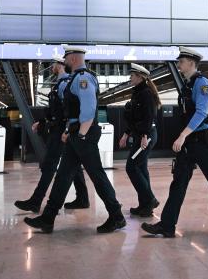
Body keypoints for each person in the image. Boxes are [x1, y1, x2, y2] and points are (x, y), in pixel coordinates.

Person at [141, 47, 208, 238]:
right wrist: (185, 137)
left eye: (181, 61)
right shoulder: (188, 85)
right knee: (178, 182)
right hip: (190, 142)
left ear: (191, 62)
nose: (179, 64)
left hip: (202, 141)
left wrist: (182, 135)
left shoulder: (202, 83)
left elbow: (201, 112)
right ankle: (167, 225)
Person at [25, 46, 126, 234]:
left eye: (67, 58)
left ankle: (116, 216)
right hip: (76, 133)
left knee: (97, 175)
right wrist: (71, 132)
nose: (65, 60)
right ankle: (48, 218)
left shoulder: (83, 79)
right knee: (63, 176)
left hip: (83, 134)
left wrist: (80, 135)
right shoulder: (77, 78)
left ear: (72, 59)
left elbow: (88, 111)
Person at [14, 55, 89, 213]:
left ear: (60, 65)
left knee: (50, 166)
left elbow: (66, 112)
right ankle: (83, 198)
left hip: (61, 132)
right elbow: (56, 112)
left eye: (53, 64)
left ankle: (36, 201)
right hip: (62, 130)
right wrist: (42, 123)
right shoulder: (61, 83)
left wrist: (67, 129)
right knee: (73, 165)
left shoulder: (64, 84)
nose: (52, 67)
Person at [118, 63, 160, 217]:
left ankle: (150, 199)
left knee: (132, 167)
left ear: (139, 77)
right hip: (141, 135)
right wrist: (126, 134)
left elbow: (149, 117)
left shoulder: (146, 93)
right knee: (141, 168)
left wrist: (144, 136)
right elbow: (135, 118)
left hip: (146, 136)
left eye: (132, 75)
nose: (130, 78)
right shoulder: (137, 92)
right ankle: (145, 206)